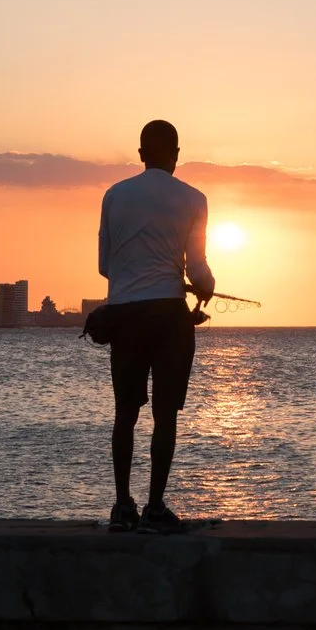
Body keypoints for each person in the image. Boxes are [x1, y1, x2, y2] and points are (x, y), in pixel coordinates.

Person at [95, 119, 213, 534]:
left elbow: (105, 266)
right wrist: (205, 288)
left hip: (124, 315)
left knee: (124, 413)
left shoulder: (114, 195)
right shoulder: (194, 199)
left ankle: (122, 505)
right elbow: (197, 269)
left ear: (141, 153)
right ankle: (155, 507)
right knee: (166, 416)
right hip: (169, 317)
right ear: (177, 155)